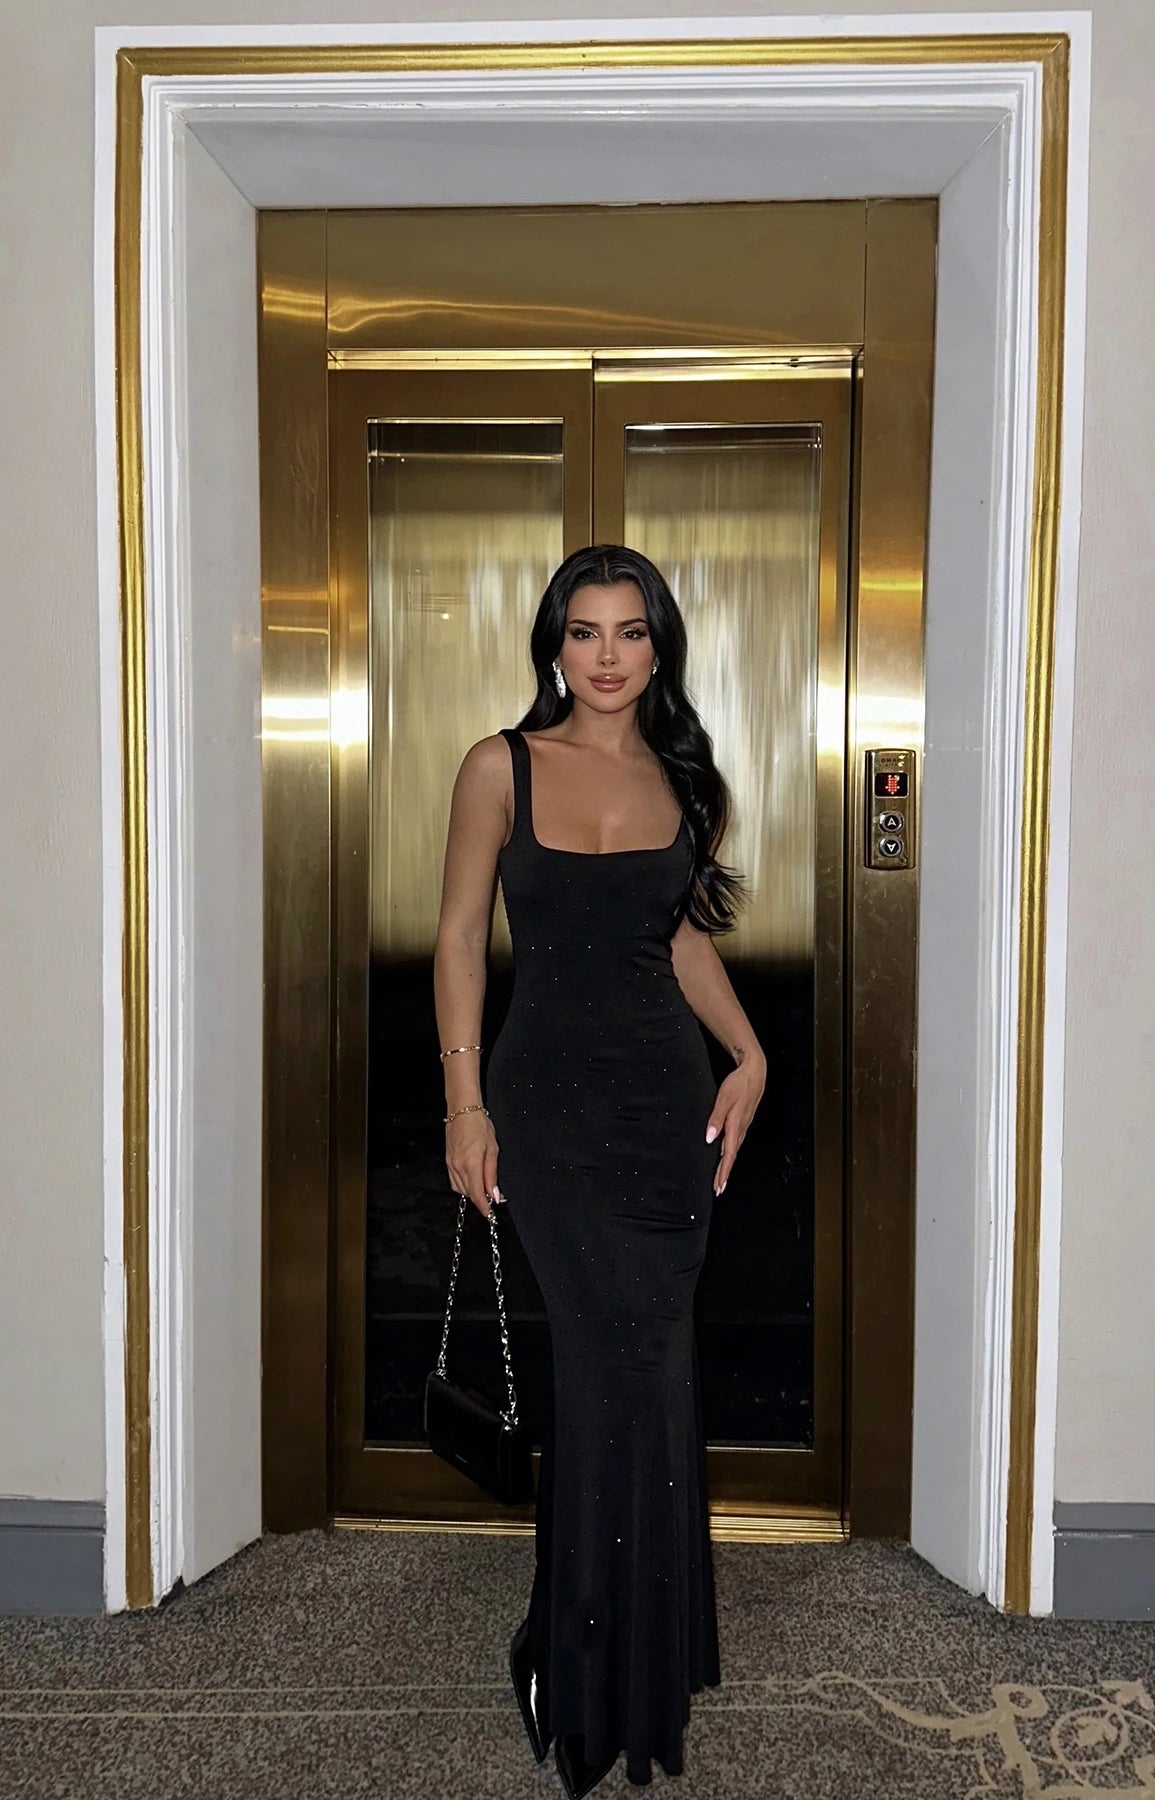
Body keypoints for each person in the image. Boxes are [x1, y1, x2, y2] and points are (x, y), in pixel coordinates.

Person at [433, 544, 767, 1793]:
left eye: (632, 632)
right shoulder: (500, 767)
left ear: (659, 646)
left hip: (662, 1107)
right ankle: (569, 1662)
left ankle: (643, 1656)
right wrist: (465, 1106)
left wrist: (750, 1053)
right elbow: (458, 939)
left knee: (657, 1372)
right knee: (599, 1373)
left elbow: (675, 941)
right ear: (555, 646)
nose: (609, 656)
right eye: (586, 632)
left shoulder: (686, 781)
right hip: (549, 1115)